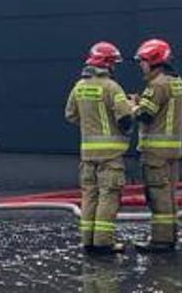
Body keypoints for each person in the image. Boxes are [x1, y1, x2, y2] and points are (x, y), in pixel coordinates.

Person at [64, 41, 135, 254]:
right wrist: (133, 107)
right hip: (111, 155)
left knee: (89, 197)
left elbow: (70, 115)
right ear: (108, 64)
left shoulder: (79, 86)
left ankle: (88, 241)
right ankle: (104, 242)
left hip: (87, 155)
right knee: (108, 196)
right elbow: (125, 119)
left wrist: (90, 123)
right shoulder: (112, 87)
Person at [132, 38, 182, 253]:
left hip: (156, 153)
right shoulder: (177, 81)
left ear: (153, 61)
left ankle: (160, 241)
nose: (141, 65)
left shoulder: (157, 85)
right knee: (170, 195)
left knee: (158, 197)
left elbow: (145, 114)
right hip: (172, 149)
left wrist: (131, 106)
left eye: (143, 61)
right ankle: (170, 236)